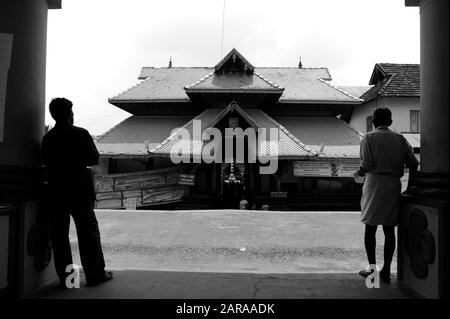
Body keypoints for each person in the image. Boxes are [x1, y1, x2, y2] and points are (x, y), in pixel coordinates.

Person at [41, 98, 113, 288]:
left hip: (56, 191)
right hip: (79, 189)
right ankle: (95, 274)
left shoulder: (48, 138)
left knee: (59, 236)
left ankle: (68, 280)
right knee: (88, 232)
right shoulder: (80, 134)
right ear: (70, 114)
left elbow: (46, 162)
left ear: (53, 114)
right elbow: (94, 158)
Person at [354, 108, 419, 283]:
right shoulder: (399, 138)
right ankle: (386, 271)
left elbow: (367, 164)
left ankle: (373, 270)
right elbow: (413, 163)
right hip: (392, 185)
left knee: (371, 227)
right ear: (390, 122)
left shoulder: (368, 138)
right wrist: (411, 187)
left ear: (373, 122)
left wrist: (358, 174)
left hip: (374, 183)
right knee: (389, 229)